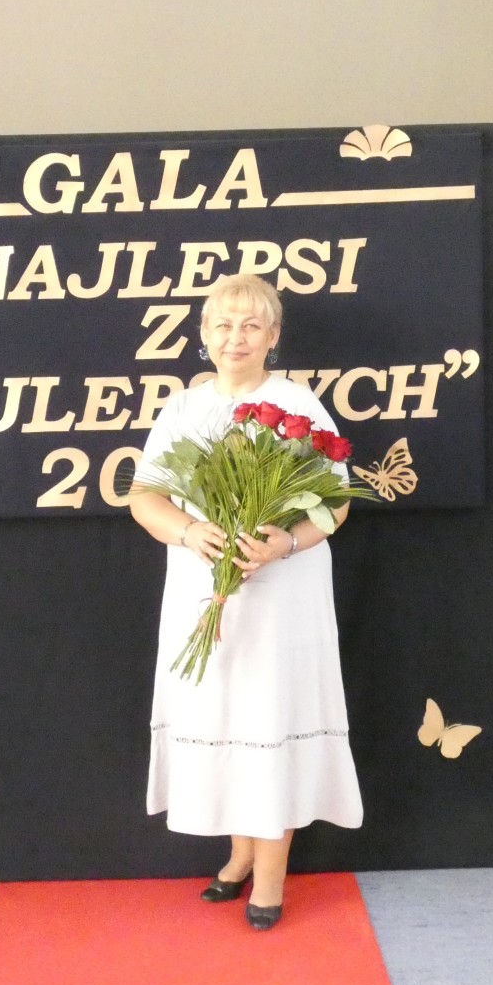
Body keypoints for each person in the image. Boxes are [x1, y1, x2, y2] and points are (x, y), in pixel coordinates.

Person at [129, 272, 363, 931]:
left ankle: (270, 878)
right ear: (204, 334)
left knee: (269, 717)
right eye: (224, 325)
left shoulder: (298, 405)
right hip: (202, 585)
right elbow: (143, 497)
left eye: (251, 326)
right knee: (226, 716)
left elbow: (336, 504)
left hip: (282, 592)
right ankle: (238, 856)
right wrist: (189, 532)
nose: (237, 338)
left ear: (273, 336)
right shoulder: (181, 408)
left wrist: (284, 542)